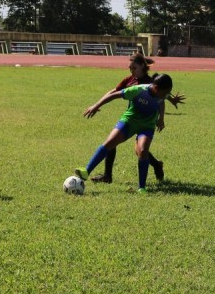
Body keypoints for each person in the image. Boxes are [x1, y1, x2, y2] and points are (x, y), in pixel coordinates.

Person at [91, 53, 185, 184]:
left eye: (134, 68)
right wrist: (97, 104)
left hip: (146, 121)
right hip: (131, 118)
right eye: (130, 68)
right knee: (112, 143)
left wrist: (162, 116)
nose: (131, 71)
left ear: (142, 66)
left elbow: (162, 97)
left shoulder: (151, 82)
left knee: (140, 150)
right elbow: (113, 92)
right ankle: (107, 176)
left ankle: (156, 165)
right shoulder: (129, 80)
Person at [74, 73, 173, 194]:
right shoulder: (138, 90)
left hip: (147, 126)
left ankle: (142, 187)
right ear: (156, 88)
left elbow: (162, 102)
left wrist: (161, 118)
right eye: (165, 92)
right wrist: (96, 105)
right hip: (129, 122)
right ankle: (86, 171)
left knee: (143, 151)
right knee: (109, 143)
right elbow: (114, 95)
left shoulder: (162, 94)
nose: (166, 95)